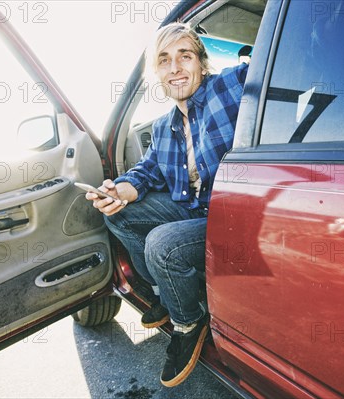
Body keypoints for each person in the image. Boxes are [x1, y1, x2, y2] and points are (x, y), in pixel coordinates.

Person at [86, 22, 248, 387]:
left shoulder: (229, 87)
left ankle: (188, 322)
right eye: (164, 60)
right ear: (156, 73)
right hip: (193, 210)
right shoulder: (164, 127)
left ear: (202, 64)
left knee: (162, 244)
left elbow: (271, 69)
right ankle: (165, 292)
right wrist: (119, 190)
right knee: (118, 215)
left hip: (231, 217)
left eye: (184, 56)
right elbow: (146, 172)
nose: (174, 67)